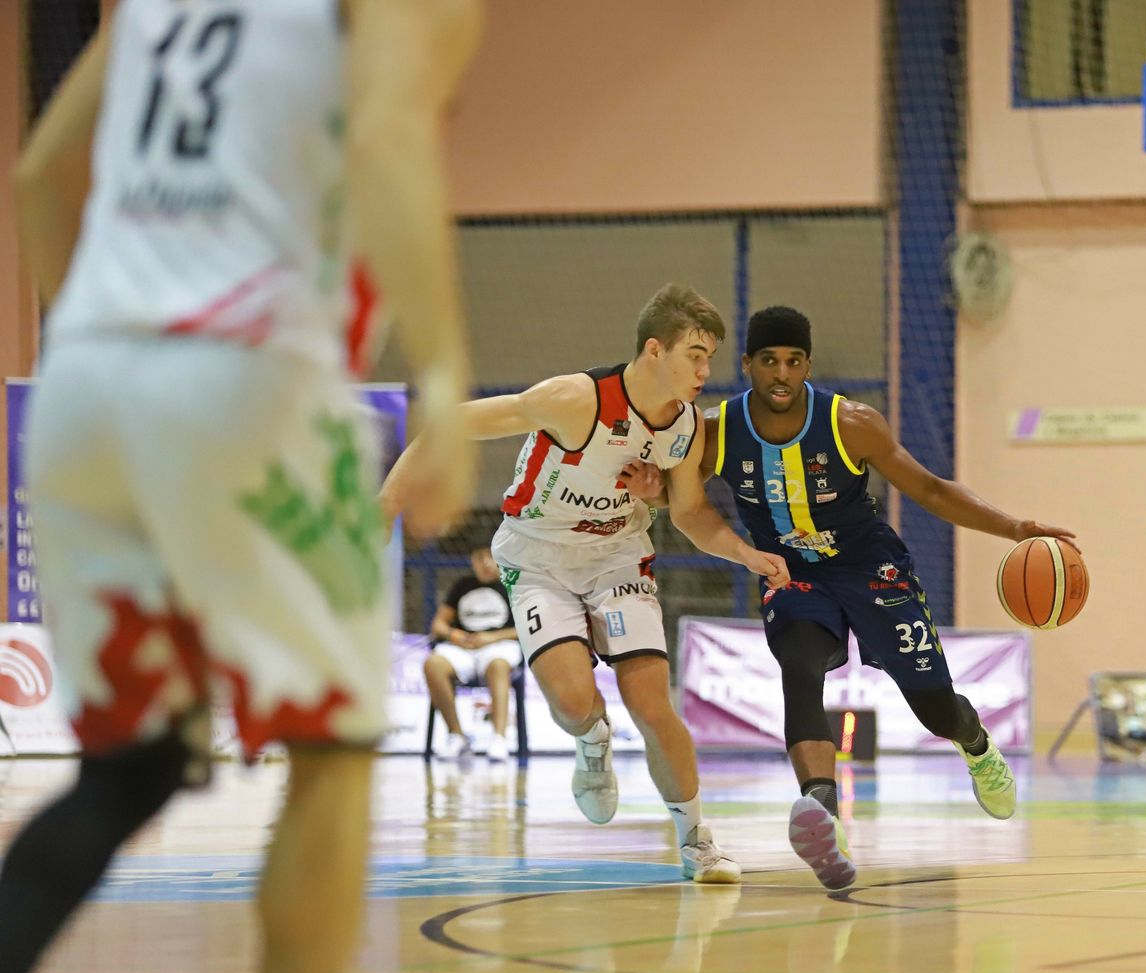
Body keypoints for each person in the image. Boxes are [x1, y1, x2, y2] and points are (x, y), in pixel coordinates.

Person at [0, 1, 482, 973]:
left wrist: (116, 350)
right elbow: (385, 133)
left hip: (82, 384)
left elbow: (41, 172)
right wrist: (446, 373)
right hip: (249, 373)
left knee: (133, 766)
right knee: (331, 756)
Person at [643, 306, 1075, 890]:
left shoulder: (852, 423)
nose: (780, 374)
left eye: (793, 361)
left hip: (871, 568)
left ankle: (975, 744)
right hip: (793, 572)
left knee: (935, 709)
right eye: (768, 360)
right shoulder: (716, 432)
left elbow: (929, 489)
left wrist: (1015, 527)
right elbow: (679, 499)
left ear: (807, 366)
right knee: (798, 664)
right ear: (746, 364)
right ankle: (823, 812)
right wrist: (649, 489)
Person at [382, 283, 789, 884]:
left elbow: (690, 514)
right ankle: (592, 739)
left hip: (617, 559)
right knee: (572, 703)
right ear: (655, 350)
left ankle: (696, 841)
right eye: (695, 355)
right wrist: (383, 508)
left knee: (651, 703)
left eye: (709, 358)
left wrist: (746, 554)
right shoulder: (574, 400)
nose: (707, 371)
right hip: (538, 560)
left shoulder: (685, 427)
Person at [426, 546, 520, 762]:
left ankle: (499, 738)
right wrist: (455, 635)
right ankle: (456, 736)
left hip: (499, 646)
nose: (485, 562)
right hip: (463, 648)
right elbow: (438, 625)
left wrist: (491, 637)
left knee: (498, 665)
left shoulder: (514, 586)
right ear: (472, 561)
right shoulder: (462, 586)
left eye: (490, 557)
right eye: (479, 557)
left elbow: (525, 628)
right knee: (433, 664)